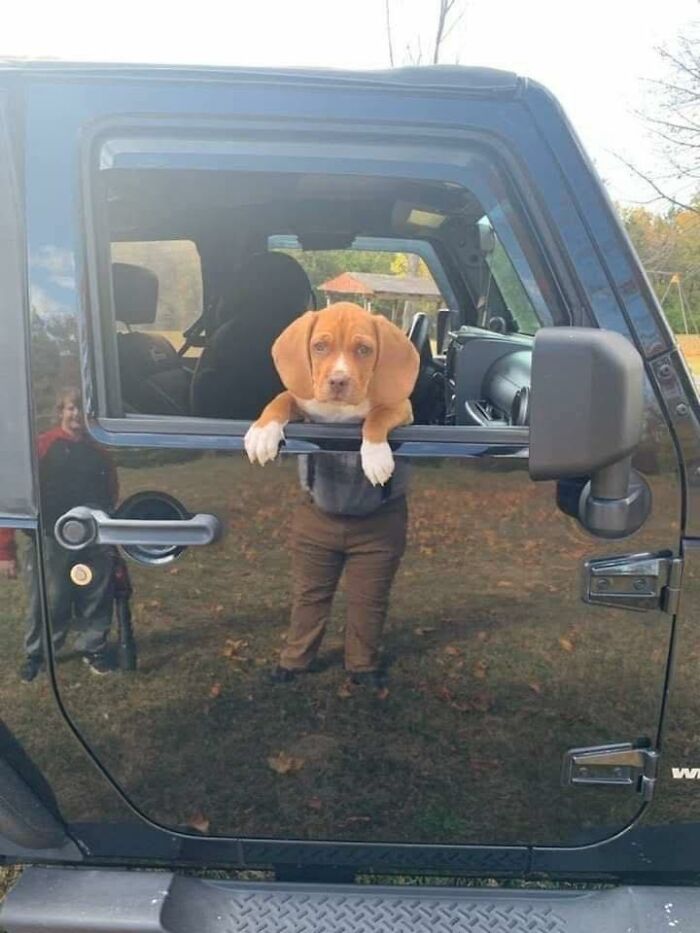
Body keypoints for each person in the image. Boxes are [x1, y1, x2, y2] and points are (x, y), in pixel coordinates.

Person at [0, 388, 118, 681]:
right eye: (70, 408)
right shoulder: (42, 446)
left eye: (81, 408)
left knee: (97, 595)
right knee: (49, 599)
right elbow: (14, 496)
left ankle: (93, 648)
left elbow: (111, 492)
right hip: (51, 538)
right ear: (60, 412)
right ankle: (38, 654)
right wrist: (5, 550)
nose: (76, 413)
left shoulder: (99, 451)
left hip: (94, 535)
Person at [271, 452, 409, 689]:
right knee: (310, 593)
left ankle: (362, 663)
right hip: (318, 515)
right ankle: (296, 659)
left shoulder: (396, 413)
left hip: (381, 520)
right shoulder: (313, 412)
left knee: (369, 598)